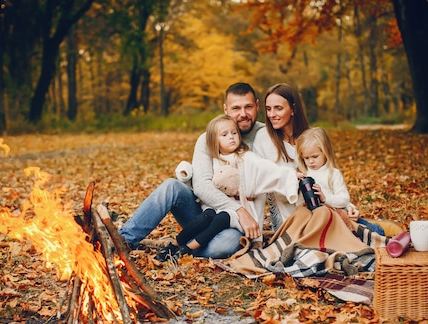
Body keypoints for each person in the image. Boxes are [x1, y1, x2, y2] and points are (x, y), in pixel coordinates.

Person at [118, 83, 265, 259]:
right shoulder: (208, 139)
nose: (243, 114)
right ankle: (124, 240)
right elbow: (202, 186)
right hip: (203, 216)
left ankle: (184, 248)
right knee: (171, 186)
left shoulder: (265, 137)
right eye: (236, 108)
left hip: (233, 227)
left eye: (248, 107)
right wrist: (240, 210)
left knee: (226, 244)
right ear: (225, 109)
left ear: (257, 105)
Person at [155, 114, 299, 261]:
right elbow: (198, 184)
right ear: (214, 141)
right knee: (207, 216)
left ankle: (186, 249)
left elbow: (268, 169)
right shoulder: (214, 159)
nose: (231, 137)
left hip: (240, 212)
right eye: (225, 134)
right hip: (216, 208)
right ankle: (173, 245)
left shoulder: (247, 157)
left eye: (234, 133)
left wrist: (291, 175)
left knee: (223, 217)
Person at [296, 127, 384, 235]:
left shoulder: (333, 174)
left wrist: (325, 199)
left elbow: (344, 199)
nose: (311, 161)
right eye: (306, 158)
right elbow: (299, 204)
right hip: (321, 221)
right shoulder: (304, 175)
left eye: (315, 156)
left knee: (376, 232)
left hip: (340, 216)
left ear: (325, 152)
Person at [252, 83, 310, 230]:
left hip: (317, 208)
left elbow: (327, 174)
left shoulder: (309, 138)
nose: (272, 114)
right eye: (268, 109)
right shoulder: (263, 138)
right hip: (286, 219)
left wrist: (346, 205)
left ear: (293, 109)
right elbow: (258, 181)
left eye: (278, 108)